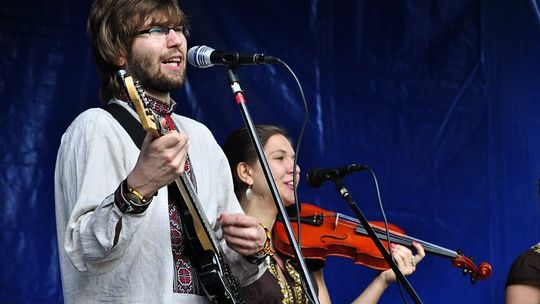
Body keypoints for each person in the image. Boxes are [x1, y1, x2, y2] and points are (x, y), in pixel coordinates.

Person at [54, 0, 268, 303]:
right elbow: (85, 251)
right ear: (117, 50)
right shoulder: (95, 127)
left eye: (179, 29)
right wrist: (137, 188)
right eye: (156, 29)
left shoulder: (201, 137)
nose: (176, 40)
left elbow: (234, 271)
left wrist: (253, 249)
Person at [222, 125, 426, 303]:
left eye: (294, 159)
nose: (295, 168)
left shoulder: (300, 244)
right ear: (246, 173)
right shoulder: (224, 242)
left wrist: (383, 280)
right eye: (280, 158)